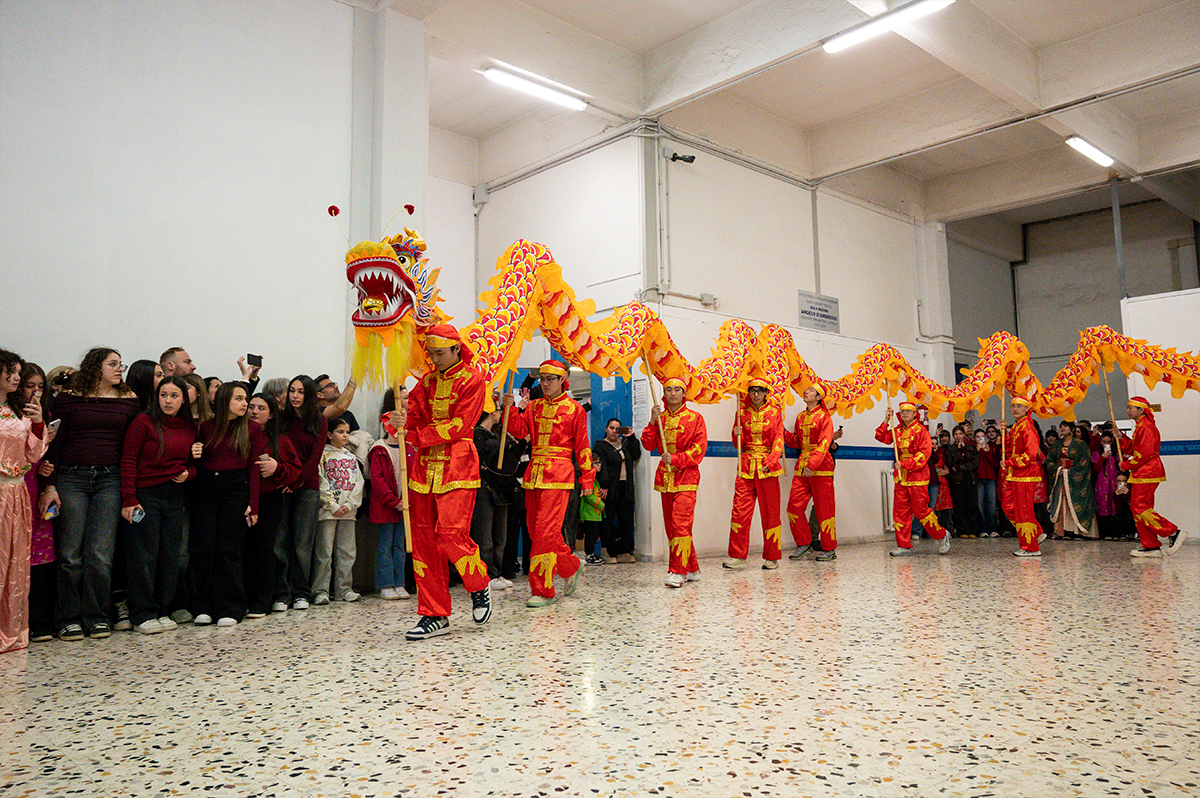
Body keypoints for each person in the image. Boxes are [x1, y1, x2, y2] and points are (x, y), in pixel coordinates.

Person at [41, 348, 140, 640]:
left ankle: (97, 616)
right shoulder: (68, 398)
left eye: (121, 364)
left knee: (100, 553)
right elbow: (56, 443)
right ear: (95, 368)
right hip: (72, 477)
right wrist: (50, 485)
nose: (120, 369)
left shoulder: (129, 399)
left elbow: (132, 445)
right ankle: (68, 618)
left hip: (110, 478)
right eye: (113, 364)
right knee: (70, 553)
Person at [405, 325, 492, 638]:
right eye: (431, 353)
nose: (435, 359)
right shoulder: (426, 382)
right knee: (424, 544)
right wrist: (400, 421)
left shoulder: (473, 379)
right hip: (424, 470)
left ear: (457, 349)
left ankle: (478, 583)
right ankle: (434, 614)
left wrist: (418, 435)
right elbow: (413, 418)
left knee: (450, 536)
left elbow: (459, 425)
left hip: (458, 465)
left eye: (440, 353)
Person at [503, 359, 595, 606]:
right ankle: (570, 565)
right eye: (542, 379)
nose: (545, 383)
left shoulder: (574, 409)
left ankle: (542, 590)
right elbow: (519, 431)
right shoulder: (533, 407)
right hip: (534, 474)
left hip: (559, 475)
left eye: (550, 379)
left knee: (545, 532)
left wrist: (587, 478)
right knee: (537, 532)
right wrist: (510, 409)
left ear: (563, 379)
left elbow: (583, 446)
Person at [119, 376, 196, 634]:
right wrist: (129, 498)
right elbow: (129, 460)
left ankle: (163, 609)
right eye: (163, 395)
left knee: (169, 555)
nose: (168, 401)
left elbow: (193, 464)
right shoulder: (143, 422)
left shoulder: (188, 427)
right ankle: (142, 613)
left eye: (174, 396)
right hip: (145, 495)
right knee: (143, 555)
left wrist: (189, 474)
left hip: (174, 497)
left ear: (183, 399)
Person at [189, 381, 264, 626]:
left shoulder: (252, 428)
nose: (245, 404)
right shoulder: (206, 427)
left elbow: (254, 467)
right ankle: (203, 605)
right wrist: (195, 455)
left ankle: (231, 606)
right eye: (239, 399)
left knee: (229, 548)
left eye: (245, 399)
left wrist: (254, 502)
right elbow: (198, 463)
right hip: (207, 488)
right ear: (224, 401)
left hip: (237, 488)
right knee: (205, 547)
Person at [0, 349, 48, 652]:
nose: (17, 377)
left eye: (19, 372)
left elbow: (33, 453)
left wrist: (39, 422)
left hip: (16, 493)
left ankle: (10, 629)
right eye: (11, 371)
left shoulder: (18, 410)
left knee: (15, 562)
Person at [640, 377, 707, 587]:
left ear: (684, 393)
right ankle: (692, 568)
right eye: (668, 390)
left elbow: (699, 449)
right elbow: (648, 445)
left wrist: (676, 458)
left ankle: (677, 572)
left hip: (687, 478)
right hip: (666, 478)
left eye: (677, 390)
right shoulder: (660, 418)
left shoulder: (695, 418)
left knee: (680, 524)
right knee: (672, 527)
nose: (672, 393)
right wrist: (652, 421)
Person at [246, 393, 300, 617]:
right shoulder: (237, 434)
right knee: (239, 549)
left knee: (264, 550)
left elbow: (295, 470)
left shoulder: (280, 439)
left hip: (268, 499)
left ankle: (262, 601)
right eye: (251, 406)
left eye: (261, 408)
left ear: (270, 415)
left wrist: (277, 468)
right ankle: (240, 599)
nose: (254, 411)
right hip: (238, 498)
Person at [875, 401, 950, 556]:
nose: (904, 413)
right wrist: (886, 420)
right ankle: (903, 545)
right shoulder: (897, 430)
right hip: (901, 477)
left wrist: (904, 464)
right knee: (900, 512)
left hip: (917, 476)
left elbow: (924, 455)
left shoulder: (921, 431)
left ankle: (941, 535)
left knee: (921, 511)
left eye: (908, 411)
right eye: (902, 411)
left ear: (915, 414)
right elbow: (881, 437)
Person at [725, 379, 785, 570]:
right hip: (745, 467)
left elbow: (778, 440)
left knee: (771, 513)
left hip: (767, 468)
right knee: (739, 512)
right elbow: (739, 444)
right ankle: (737, 556)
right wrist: (736, 434)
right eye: (752, 391)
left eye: (759, 391)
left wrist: (771, 462)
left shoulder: (775, 413)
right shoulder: (741, 412)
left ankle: (772, 557)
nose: (756, 395)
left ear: (766, 393)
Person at [279, 375, 327, 611]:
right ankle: (281, 593)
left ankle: (300, 592)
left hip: (307, 486)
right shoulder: (281, 418)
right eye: (292, 391)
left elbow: (314, 458)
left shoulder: (319, 420)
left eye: (300, 392)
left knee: (302, 543)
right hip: (281, 484)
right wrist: (286, 480)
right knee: (279, 540)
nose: (295, 396)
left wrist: (296, 482)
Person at [1121, 396, 1187, 557]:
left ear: (1141, 410)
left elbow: (1144, 453)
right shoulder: (1140, 426)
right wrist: (1121, 437)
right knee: (1140, 509)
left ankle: (1173, 532)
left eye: (1131, 407)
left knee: (1139, 507)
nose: (1128, 410)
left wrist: (1126, 465)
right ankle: (1151, 546)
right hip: (1142, 472)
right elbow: (1133, 449)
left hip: (1148, 472)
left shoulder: (1147, 427)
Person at [18, 363, 56, 642]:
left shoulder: (47, 415)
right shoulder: (9, 415)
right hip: (13, 487)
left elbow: (48, 454)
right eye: (30, 386)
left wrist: (48, 474)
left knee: (42, 552)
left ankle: (41, 620)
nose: (36, 392)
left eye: (41, 386)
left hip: (38, 489)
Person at [369, 390, 414, 600]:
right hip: (386, 508)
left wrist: (407, 501)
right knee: (385, 546)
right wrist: (393, 501)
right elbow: (377, 481)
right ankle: (386, 584)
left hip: (405, 507)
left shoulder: (410, 449)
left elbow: (413, 477)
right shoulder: (379, 449)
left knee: (400, 546)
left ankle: (400, 583)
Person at [314, 418, 364, 603]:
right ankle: (321, 590)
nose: (345, 435)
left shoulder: (351, 457)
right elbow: (320, 480)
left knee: (347, 552)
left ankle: (344, 589)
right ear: (329, 434)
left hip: (348, 513)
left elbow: (358, 483)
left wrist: (349, 505)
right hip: (328, 512)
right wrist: (333, 505)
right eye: (340, 432)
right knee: (324, 553)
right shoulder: (322, 455)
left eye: (347, 432)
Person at [785, 384, 837, 562]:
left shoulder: (825, 417)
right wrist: (782, 432)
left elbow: (824, 444)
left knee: (824, 510)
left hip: (821, 468)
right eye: (806, 390)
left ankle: (829, 548)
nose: (806, 392)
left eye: (811, 391)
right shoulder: (800, 417)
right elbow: (797, 442)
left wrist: (812, 464)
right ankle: (804, 544)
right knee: (793, 508)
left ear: (819, 397)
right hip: (802, 467)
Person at [472, 403, 518, 591]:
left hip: (500, 489)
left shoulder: (498, 435)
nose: (500, 414)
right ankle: (486, 574)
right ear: (492, 412)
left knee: (500, 534)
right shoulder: (477, 434)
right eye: (499, 410)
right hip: (484, 489)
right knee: (485, 535)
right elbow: (485, 453)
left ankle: (497, 572)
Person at [588, 417, 641, 564]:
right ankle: (606, 551)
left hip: (625, 488)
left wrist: (632, 438)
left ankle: (625, 551)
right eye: (611, 428)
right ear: (606, 429)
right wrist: (604, 485)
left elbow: (636, 455)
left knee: (626, 520)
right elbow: (602, 467)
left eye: (617, 429)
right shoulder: (600, 446)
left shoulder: (624, 444)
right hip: (610, 489)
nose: (614, 431)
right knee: (608, 521)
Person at [1000, 396, 1045, 557]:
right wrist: (1003, 433)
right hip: (1015, 475)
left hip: (1025, 475)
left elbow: (1030, 455)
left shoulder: (1028, 427)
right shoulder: (1017, 426)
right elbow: (1010, 446)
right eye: (1013, 406)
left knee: (1024, 510)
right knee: (1008, 506)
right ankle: (1036, 532)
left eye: (1019, 406)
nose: (1015, 409)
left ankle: (1030, 547)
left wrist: (1010, 463)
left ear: (1027, 409)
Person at [1046, 421, 1097, 539]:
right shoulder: (1056, 444)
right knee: (1061, 502)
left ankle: (1078, 531)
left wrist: (1070, 471)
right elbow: (1049, 461)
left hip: (1075, 479)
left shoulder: (1081, 444)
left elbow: (1085, 462)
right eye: (1061, 426)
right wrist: (1057, 469)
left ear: (1072, 429)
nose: (1062, 428)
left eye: (1065, 426)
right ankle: (1062, 531)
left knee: (1075, 501)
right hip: (1060, 478)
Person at [944, 424, 980, 538]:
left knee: (972, 504)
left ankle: (972, 530)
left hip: (970, 478)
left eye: (960, 434)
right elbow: (950, 463)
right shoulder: (950, 449)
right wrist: (959, 453)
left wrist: (960, 467)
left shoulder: (971, 448)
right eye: (955, 434)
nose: (958, 436)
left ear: (964, 435)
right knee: (959, 505)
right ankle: (962, 530)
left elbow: (975, 464)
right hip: (957, 480)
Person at [975, 426, 1000, 537]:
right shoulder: (973, 449)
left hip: (990, 479)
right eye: (978, 437)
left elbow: (995, 464)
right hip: (978, 479)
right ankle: (983, 529)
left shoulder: (990, 447)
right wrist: (977, 451)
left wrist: (988, 452)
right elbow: (973, 463)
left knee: (991, 504)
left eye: (982, 437)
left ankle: (993, 528)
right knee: (980, 504)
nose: (980, 439)